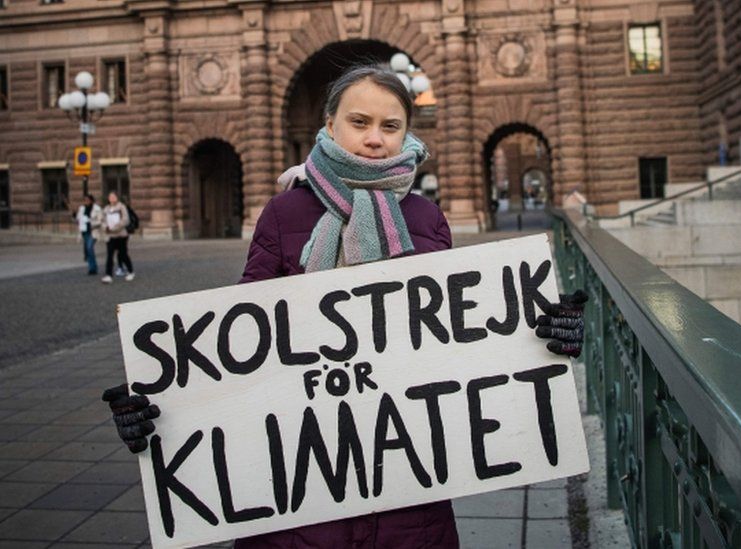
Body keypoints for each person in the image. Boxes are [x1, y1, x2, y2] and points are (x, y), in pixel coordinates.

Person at [102, 65, 586, 548]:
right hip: (299, 491)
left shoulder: (426, 217)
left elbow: (462, 337)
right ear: (330, 124)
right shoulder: (283, 214)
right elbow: (238, 340)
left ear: (406, 133)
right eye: (360, 122)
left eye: (390, 126)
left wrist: (543, 337)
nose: (374, 139)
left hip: (408, 489)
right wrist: (162, 399)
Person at [101, 191, 135, 283]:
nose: (112, 198)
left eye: (113, 196)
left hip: (121, 235)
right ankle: (108, 275)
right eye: (110, 197)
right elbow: (103, 220)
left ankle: (130, 271)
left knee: (123, 254)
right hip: (110, 235)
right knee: (110, 255)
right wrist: (106, 227)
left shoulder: (121, 207)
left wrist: (115, 227)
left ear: (117, 197)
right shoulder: (107, 209)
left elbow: (125, 220)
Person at [71, 193, 103, 275]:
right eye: (85, 200)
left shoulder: (97, 209)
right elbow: (78, 219)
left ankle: (93, 268)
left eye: (88, 200)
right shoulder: (82, 208)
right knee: (87, 250)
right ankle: (91, 267)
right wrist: (74, 215)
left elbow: (100, 220)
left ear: (91, 200)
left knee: (89, 248)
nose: (86, 202)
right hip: (84, 231)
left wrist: (91, 222)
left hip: (93, 231)